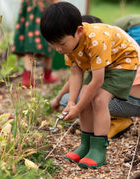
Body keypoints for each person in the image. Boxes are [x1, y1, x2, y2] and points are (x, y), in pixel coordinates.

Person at [40, 2, 139, 169]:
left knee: (99, 99)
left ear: (78, 31)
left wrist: (77, 108)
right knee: (83, 96)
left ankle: (99, 149)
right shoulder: (69, 45)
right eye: (52, 45)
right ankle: (86, 145)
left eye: (62, 44)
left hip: (124, 62)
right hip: (107, 64)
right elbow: (76, 73)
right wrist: (72, 102)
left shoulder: (96, 41)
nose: (58, 49)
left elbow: (98, 81)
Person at [51, 15, 140, 139]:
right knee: (78, 98)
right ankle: (90, 140)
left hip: (132, 101)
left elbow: (92, 81)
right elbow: (76, 76)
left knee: (85, 100)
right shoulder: (112, 39)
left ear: (80, 32)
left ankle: (115, 121)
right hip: (130, 95)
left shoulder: (96, 44)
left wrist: (74, 106)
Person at [12, 0, 58, 88]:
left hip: (30, 21)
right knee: (49, 44)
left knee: (29, 49)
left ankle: (27, 79)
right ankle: (47, 75)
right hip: (45, 18)